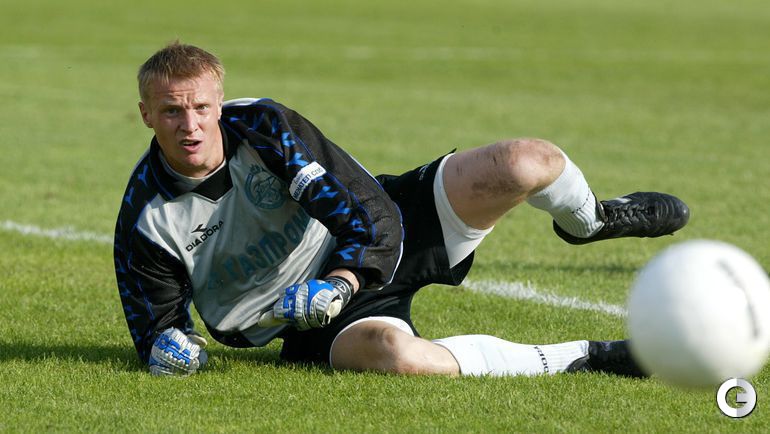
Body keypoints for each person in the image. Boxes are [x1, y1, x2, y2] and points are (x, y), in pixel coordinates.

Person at [114, 42, 689, 377]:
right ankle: (590, 357)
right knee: (401, 357)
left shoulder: (264, 127)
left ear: (219, 102)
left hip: (369, 235)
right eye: (171, 112)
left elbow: (368, 210)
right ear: (145, 115)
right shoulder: (146, 217)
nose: (189, 125)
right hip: (312, 321)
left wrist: (340, 279)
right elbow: (156, 324)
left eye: (201, 108)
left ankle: (591, 221)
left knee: (526, 161)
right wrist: (170, 350)